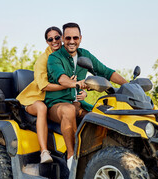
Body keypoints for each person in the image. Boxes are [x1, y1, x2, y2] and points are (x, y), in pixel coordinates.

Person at [45, 22, 127, 169]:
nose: (71, 41)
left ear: (80, 38)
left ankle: (104, 158)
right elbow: (61, 78)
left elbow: (106, 71)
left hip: (77, 104)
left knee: (102, 114)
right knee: (68, 110)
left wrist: (128, 85)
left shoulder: (85, 55)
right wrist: (76, 84)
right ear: (63, 38)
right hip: (56, 104)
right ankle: (71, 158)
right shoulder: (54, 58)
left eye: (75, 37)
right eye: (68, 37)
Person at [16, 26, 87, 164]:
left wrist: (82, 91)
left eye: (57, 37)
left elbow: (76, 81)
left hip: (55, 98)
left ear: (62, 38)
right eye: (50, 39)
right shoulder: (43, 60)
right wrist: (69, 84)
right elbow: (43, 86)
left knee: (83, 110)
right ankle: (44, 152)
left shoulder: (66, 56)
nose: (54, 41)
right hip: (35, 98)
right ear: (47, 42)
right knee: (42, 108)